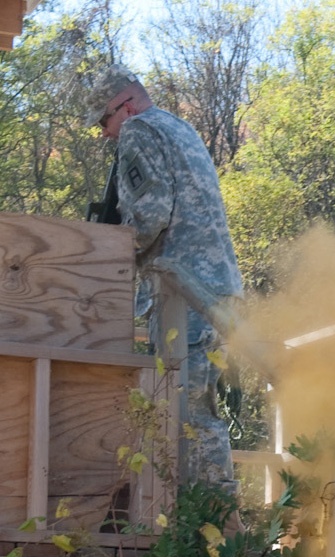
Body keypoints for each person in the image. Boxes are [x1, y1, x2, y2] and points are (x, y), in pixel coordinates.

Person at [84, 65, 243, 496]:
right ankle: (208, 525)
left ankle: (209, 529)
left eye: (104, 120)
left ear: (127, 106)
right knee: (195, 409)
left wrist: (107, 258)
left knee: (186, 414)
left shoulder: (139, 130)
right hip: (210, 291)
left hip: (185, 295)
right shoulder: (177, 128)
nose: (104, 133)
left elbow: (150, 216)